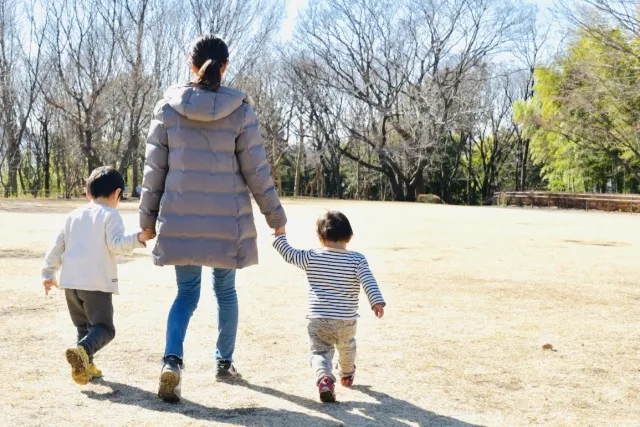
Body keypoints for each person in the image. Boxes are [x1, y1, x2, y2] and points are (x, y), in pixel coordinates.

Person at [139, 34, 287, 403]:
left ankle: (172, 361)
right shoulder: (240, 110)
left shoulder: (168, 108)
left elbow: (153, 171)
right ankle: (224, 363)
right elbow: (256, 170)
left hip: (180, 217)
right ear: (225, 67)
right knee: (226, 292)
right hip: (228, 220)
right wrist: (275, 217)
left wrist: (147, 221)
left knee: (186, 294)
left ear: (192, 65)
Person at [41, 166, 154, 385]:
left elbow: (57, 246)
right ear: (117, 193)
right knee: (104, 328)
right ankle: (82, 351)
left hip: (71, 284)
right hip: (95, 283)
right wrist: (139, 237)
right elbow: (117, 244)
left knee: (83, 327)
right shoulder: (110, 215)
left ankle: (85, 368)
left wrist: (48, 272)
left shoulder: (73, 215)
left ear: (89, 192)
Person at [272, 211, 386, 403]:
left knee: (320, 351)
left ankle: (324, 377)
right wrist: (376, 301)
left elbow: (288, 253)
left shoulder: (311, 256)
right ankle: (347, 373)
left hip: (318, 319)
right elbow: (369, 281)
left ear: (320, 237)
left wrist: (279, 234)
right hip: (346, 318)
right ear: (349, 236)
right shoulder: (357, 260)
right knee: (347, 346)